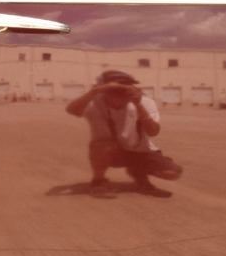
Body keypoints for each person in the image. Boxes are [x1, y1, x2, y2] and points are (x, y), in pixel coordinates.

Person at [66, 70, 182, 198]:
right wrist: (93, 92)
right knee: (102, 145)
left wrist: (138, 105)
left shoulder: (145, 102)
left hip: (141, 151)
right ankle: (98, 181)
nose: (120, 94)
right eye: (114, 90)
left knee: (171, 173)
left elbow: (153, 131)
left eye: (125, 89)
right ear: (102, 89)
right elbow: (72, 110)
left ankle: (137, 172)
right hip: (113, 152)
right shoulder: (94, 102)